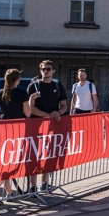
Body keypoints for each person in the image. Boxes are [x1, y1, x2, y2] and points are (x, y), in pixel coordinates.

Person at [0, 69, 31, 200]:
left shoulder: (0, 93)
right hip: (18, 129)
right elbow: (27, 113)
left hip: (3, 128)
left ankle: (9, 192)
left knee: (6, 161)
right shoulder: (22, 93)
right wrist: (31, 100)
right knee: (13, 163)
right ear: (18, 80)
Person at [27, 60, 68, 193]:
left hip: (52, 126)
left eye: (48, 69)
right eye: (43, 69)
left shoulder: (58, 86)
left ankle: (44, 183)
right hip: (36, 125)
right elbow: (30, 108)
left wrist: (58, 113)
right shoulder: (34, 86)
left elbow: (64, 106)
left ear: (53, 71)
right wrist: (48, 115)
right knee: (35, 156)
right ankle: (32, 186)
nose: (46, 71)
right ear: (40, 71)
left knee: (49, 154)